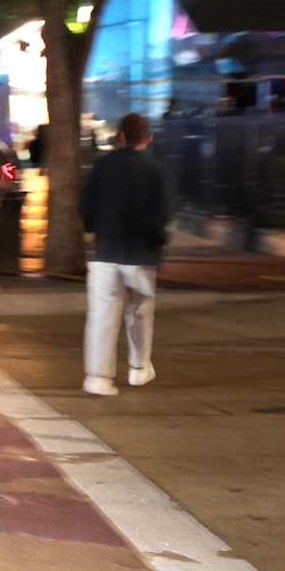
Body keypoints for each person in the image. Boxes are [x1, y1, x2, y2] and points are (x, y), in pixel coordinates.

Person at [79, 110, 168, 396]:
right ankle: (139, 369)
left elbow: (86, 206)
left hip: (105, 252)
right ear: (148, 138)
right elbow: (163, 212)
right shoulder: (154, 169)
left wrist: (96, 229)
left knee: (102, 316)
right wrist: (156, 241)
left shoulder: (102, 167)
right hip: (140, 254)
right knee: (140, 313)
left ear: (120, 136)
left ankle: (98, 377)